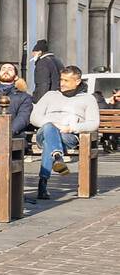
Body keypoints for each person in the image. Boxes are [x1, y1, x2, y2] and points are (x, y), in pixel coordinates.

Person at [30, 65, 100, 201]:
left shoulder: (88, 99)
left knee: (48, 143)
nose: (62, 83)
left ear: (77, 81)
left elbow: (94, 123)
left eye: (66, 81)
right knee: (49, 128)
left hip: (68, 135)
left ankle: (44, 180)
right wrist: (52, 124)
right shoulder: (50, 95)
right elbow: (34, 117)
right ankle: (57, 157)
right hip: (45, 131)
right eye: (61, 80)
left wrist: (72, 128)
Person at [0, 63, 33, 136]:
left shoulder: (24, 97)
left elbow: (23, 118)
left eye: (10, 69)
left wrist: (6, 133)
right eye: (3, 69)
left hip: (13, 136)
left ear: (16, 77)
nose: (6, 71)